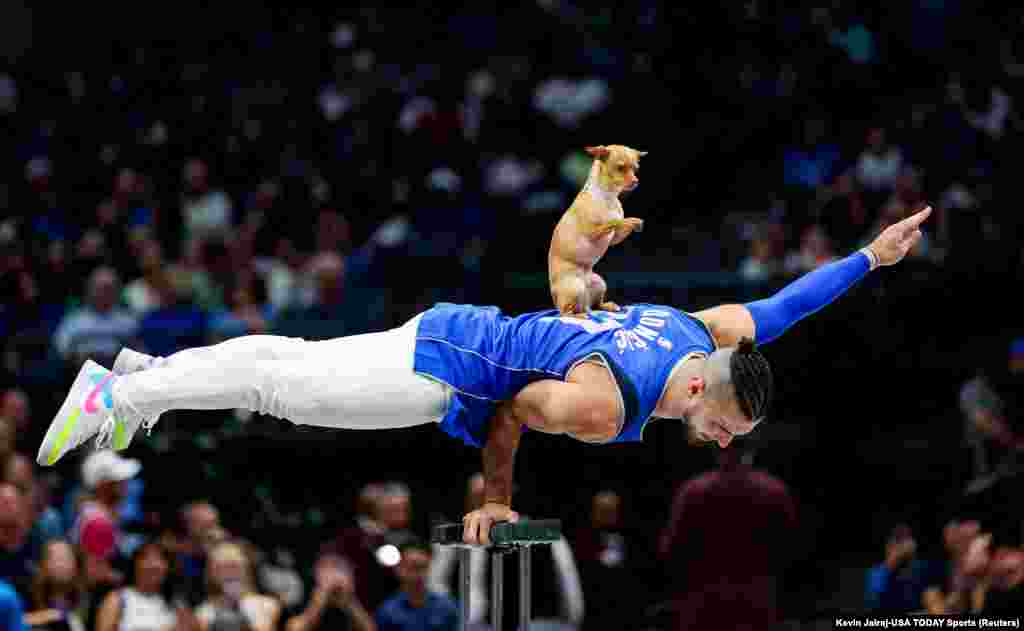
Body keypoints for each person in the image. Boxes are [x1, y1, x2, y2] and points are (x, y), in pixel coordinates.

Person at [37, 207, 932, 544]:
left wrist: (868, 258)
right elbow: (506, 416)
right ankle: (119, 393)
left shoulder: (699, 329)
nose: (724, 445)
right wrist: (497, 499)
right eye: (726, 430)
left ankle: (141, 376)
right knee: (281, 383)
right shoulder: (602, 403)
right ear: (701, 392)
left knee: (283, 367)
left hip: (466, 330)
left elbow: (785, 306)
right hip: (450, 371)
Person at [375, 540, 457, 631]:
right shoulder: (387, 611)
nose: (418, 574)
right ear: (398, 568)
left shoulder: (447, 607)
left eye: (422, 567)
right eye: (412, 567)